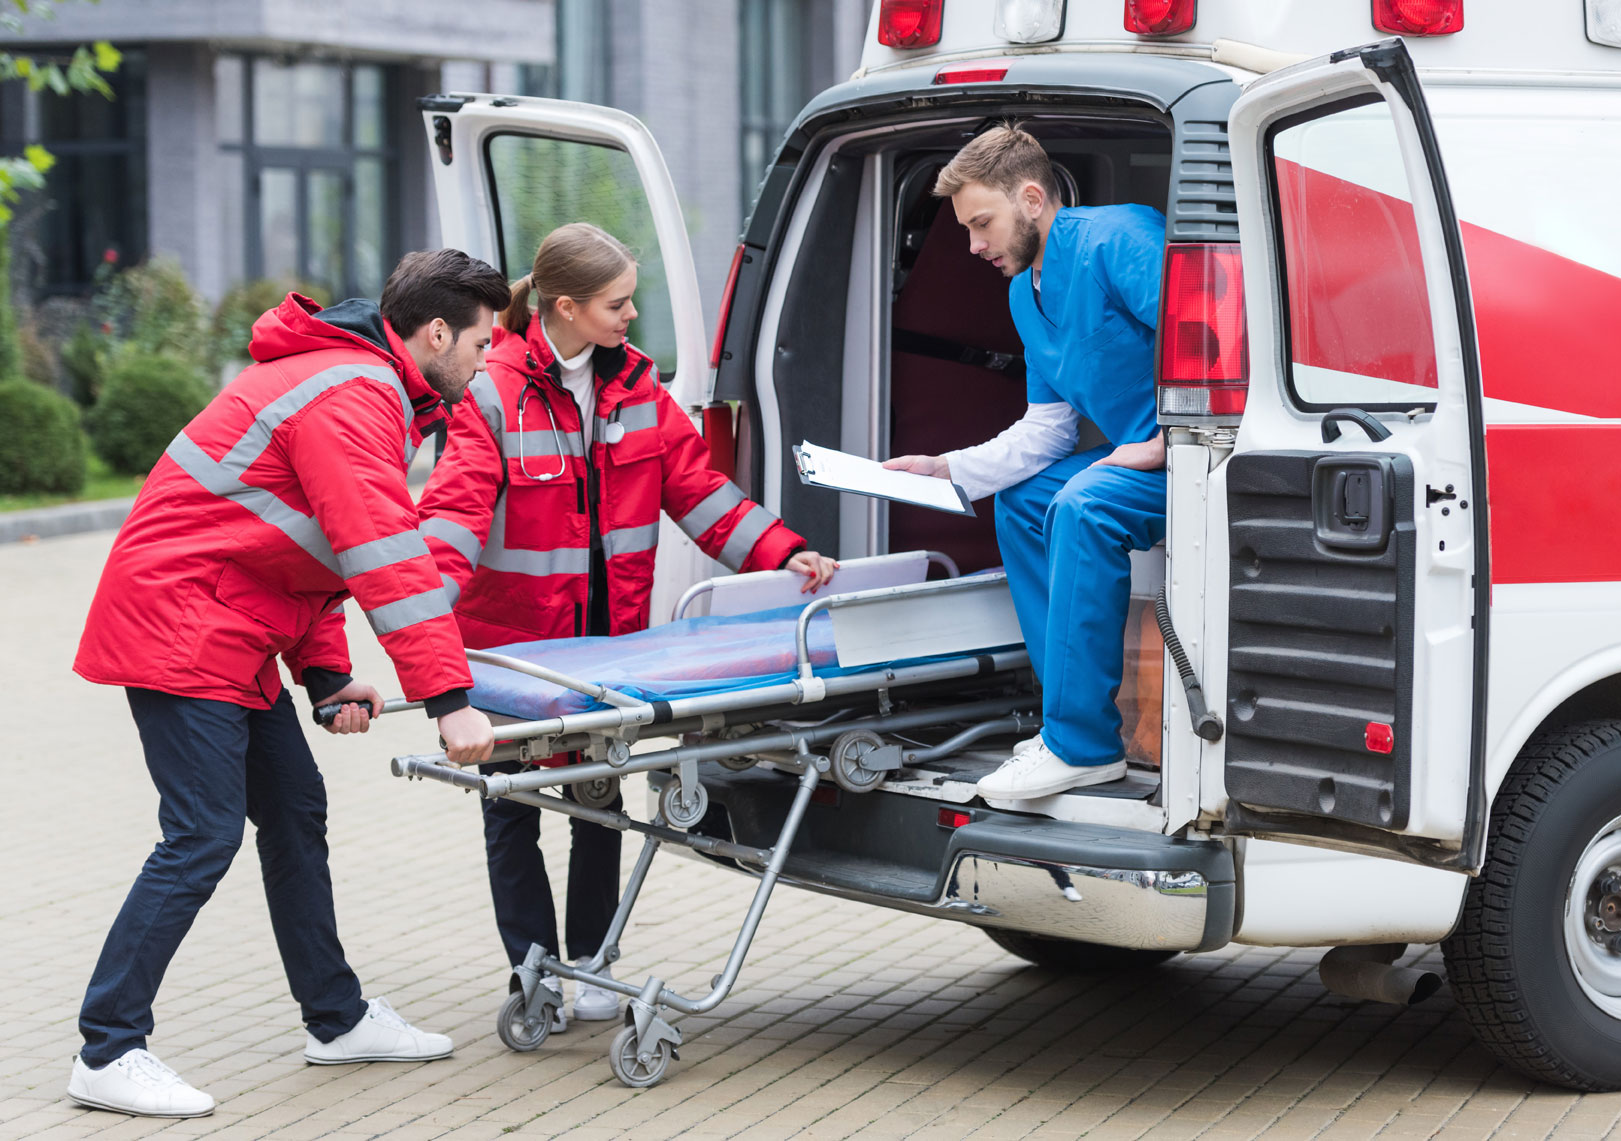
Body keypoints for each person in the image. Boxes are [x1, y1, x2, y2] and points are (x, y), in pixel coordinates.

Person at [67, 249, 508, 1118]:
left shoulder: (366, 384)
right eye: (483, 342)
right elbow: (382, 551)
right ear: (436, 331)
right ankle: (108, 1047)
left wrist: (329, 675)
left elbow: (309, 548)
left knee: (296, 809)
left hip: (231, 625)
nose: (487, 360)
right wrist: (451, 700)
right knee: (201, 835)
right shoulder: (354, 393)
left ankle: (336, 1020)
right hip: (183, 622)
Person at [417, 222, 836, 1026]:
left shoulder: (636, 390)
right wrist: (421, 622)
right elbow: (453, 519)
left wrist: (785, 552)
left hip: (605, 657)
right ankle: (531, 974)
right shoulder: (491, 392)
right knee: (512, 816)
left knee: (600, 811)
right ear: (566, 307)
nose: (632, 315)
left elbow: (700, 493)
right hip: (519, 663)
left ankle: (594, 968)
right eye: (618, 302)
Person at [886, 124, 1167, 801]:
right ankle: (1067, 720)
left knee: (1083, 504)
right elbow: (1047, 428)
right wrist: (946, 468)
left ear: (1033, 198)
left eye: (982, 224)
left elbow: (1226, 340)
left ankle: (1084, 747)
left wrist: (1170, 438)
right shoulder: (1022, 295)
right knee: (1023, 500)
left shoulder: (1121, 240)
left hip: (1203, 456)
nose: (974, 245)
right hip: (1140, 459)